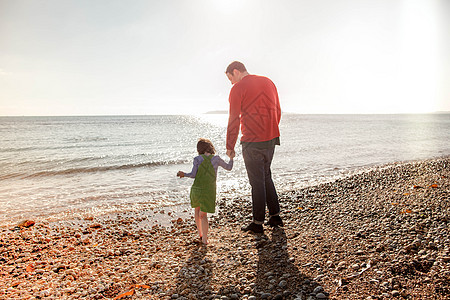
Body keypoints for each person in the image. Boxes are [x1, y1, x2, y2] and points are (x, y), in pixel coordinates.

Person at [225, 61, 282, 234]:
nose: (232, 83)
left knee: (257, 182)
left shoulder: (238, 88)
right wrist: (270, 130)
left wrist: (230, 146)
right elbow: (278, 110)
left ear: (235, 71)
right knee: (266, 176)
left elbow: (234, 118)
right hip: (271, 138)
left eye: (230, 79)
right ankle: (275, 216)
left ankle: (257, 223)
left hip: (252, 142)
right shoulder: (268, 81)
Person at [177, 138, 234, 244]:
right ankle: (204, 239)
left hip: (197, 189)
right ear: (211, 147)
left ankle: (201, 234)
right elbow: (229, 167)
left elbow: (193, 175)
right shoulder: (216, 159)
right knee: (203, 214)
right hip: (209, 190)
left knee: (197, 211)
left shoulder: (197, 159)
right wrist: (231, 158)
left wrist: (184, 174)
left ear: (199, 149)